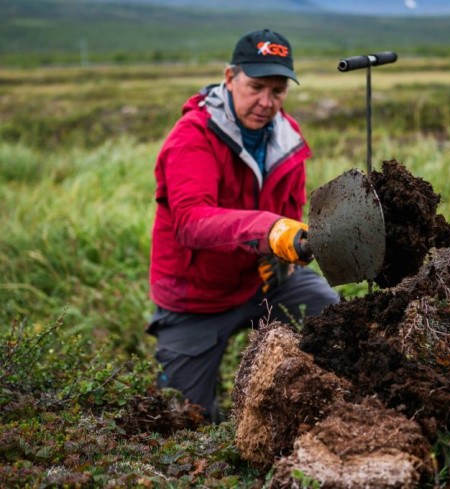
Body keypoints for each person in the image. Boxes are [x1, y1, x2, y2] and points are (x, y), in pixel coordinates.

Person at [147, 29, 340, 423]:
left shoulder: (288, 138)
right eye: (255, 87)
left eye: (278, 90)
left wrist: (292, 251)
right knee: (183, 419)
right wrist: (268, 231)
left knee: (336, 321)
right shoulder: (192, 137)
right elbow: (190, 222)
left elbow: (292, 208)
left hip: (265, 284)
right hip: (196, 298)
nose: (266, 102)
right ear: (230, 77)